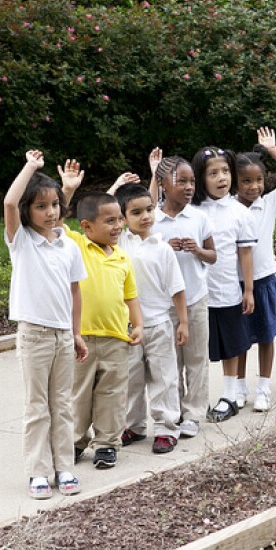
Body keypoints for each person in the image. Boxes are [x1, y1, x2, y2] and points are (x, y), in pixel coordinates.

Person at [3, 150, 88, 500]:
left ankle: (63, 467)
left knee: (62, 405)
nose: (51, 211)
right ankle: (37, 471)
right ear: (28, 212)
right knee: (37, 406)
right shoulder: (21, 242)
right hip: (34, 335)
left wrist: (77, 333)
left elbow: (75, 291)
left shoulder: (66, 245)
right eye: (41, 206)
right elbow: (10, 201)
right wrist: (31, 167)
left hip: (63, 336)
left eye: (55, 205)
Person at [58, 162, 144, 470]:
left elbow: (130, 295)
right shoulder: (78, 245)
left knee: (112, 394)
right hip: (82, 338)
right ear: (87, 227)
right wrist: (68, 190)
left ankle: (107, 443)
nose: (118, 225)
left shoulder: (122, 257)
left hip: (116, 339)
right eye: (110, 221)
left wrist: (139, 325)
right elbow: (56, 224)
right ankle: (77, 440)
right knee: (79, 395)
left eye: (120, 219)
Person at [109, 181, 189, 454]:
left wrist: (183, 322)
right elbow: (101, 213)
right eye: (136, 212)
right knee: (130, 379)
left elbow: (177, 289)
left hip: (158, 324)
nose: (145, 216)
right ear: (122, 218)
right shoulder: (117, 244)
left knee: (164, 378)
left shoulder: (162, 248)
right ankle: (134, 425)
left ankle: (167, 427)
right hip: (126, 327)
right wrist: (116, 187)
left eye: (149, 209)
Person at [233, 128, 276, 412]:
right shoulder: (226, 207)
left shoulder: (270, 202)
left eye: (259, 180)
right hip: (233, 283)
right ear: (234, 182)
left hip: (264, 281)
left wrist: (272, 149)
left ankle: (263, 388)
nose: (253, 186)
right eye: (246, 181)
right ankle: (236, 388)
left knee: (266, 336)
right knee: (238, 340)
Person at [150, 154, 216, 438]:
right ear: (163, 184)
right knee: (168, 363)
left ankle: (194, 413)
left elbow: (213, 255)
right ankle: (173, 411)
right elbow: (140, 255)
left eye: (192, 181)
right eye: (182, 181)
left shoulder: (199, 217)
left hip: (195, 300)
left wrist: (197, 251)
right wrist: (165, 247)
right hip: (163, 305)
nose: (189, 187)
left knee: (197, 359)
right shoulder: (151, 219)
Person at [190, 146, 257, 423]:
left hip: (228, 290)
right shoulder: (192, 210)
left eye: (225, 171)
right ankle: (195, 401)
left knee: (232, 344)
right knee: (196, 349)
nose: (221, 178)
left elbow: (245, 253)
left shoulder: (239, 211)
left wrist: (249, 289)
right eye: (213, 173)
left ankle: (230, 394)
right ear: (200, 178)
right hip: (196, 293)